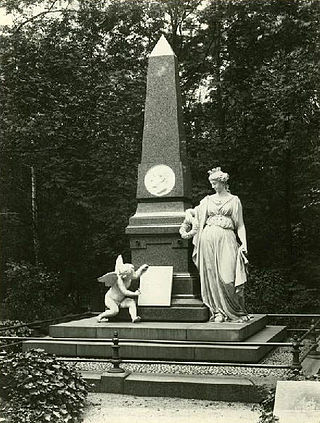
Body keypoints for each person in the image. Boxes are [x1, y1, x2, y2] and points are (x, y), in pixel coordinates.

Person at [180, 167, 249, 323]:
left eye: (214, 183)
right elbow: (192, 213)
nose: (212, 186)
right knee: (212, 276)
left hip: (227, 239)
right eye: (211, 183)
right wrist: (187, 216)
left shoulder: (234, 200)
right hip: (208, 239)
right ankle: (218, 311)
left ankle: (236, 311)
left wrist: (244, 243)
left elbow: (240, 225)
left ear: (222, 182)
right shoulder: (207, 201)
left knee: (228, 278)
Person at [96, 256, 148, 323]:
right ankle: (100, 316)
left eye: (131, 274)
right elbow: (124, 292)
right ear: (124, 275)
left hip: (121, 300)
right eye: (129, 275)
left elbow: (136, 276)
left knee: (131, 302)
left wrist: (142, 268)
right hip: (111, 299)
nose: (131, 276)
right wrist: (135, 294)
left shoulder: (129, 277)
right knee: (115, 311)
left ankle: (134, 317)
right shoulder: (119, 280)